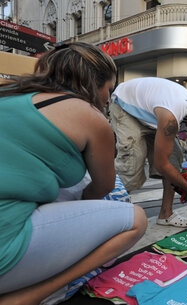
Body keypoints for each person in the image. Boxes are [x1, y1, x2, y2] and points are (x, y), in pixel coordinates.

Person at [0, 42, 148, 304]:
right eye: (109, 90)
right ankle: (31, 296)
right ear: (94, 83)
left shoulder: (9, 94)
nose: (108, 99)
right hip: (5, 249)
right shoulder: (90, 116)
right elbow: (102, 188)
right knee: (135, 219)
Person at [109, 77, 187, 227]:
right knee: (132, 161)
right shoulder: (172, 117)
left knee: (175, 158)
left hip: (152, 115)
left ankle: (166, 215)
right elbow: (161, 164)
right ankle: (110, 213)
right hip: (126, 106)